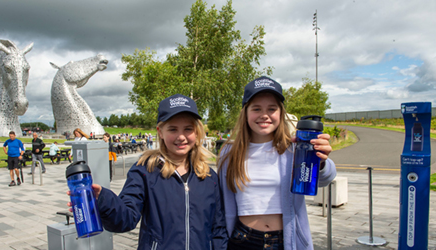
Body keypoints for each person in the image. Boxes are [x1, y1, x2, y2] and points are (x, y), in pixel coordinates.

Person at [69, 94, 228, 249]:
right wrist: (103, 200)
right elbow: (125, 219)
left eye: (188, 129)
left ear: (197, 132)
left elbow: (218, 229)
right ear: (160, 131)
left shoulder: (208, 176)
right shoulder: (145, 170)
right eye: (173, 129)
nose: (181, 136)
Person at [218, 76, 336, 250]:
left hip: (284, 241)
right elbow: (222, 202)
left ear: (280, 113)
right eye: (256, 109)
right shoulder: (229, 153)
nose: (264, 115)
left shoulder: (294, 149)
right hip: (242, 240)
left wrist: (321, 161)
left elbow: (326, 178)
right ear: (245, 112)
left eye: (271, 109)